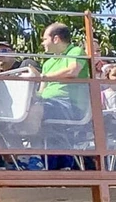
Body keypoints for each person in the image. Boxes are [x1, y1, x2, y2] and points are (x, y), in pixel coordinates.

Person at [37, 21, 89, 168]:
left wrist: (46, 77)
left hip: (70, 106)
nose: (43, 43)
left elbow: (73, 71)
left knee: (36, 113)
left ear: (56, 39)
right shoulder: (47, 63)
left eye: (44, 39)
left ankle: (37, 161)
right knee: (28, 111)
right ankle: (34, 159)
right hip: (48, 104)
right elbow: (41, 90)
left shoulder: (76, 51)